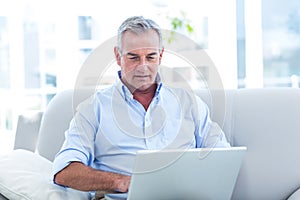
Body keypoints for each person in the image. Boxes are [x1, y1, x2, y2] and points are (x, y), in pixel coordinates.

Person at [52, 16, 230, 199]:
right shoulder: (93, 109)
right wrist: (121, 182)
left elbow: (224, 157)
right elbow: (64, 171)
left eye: (150, 57)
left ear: (160, 56)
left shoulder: (189, 103)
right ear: (117, 56)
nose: (143, 67)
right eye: (134, 58)